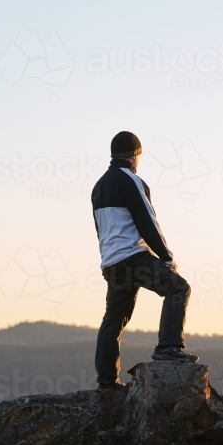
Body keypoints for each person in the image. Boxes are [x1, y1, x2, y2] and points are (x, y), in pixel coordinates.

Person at [90, 131, 198, 390]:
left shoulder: (99, 186)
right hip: (133, 257)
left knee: (113, 321)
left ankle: (107, 381)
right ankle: (169, 347)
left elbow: (101, 228)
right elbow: (147, 222)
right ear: (135, 155)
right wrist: (166, 256)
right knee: (178, 287)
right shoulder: (131, 180)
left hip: (111, 262)